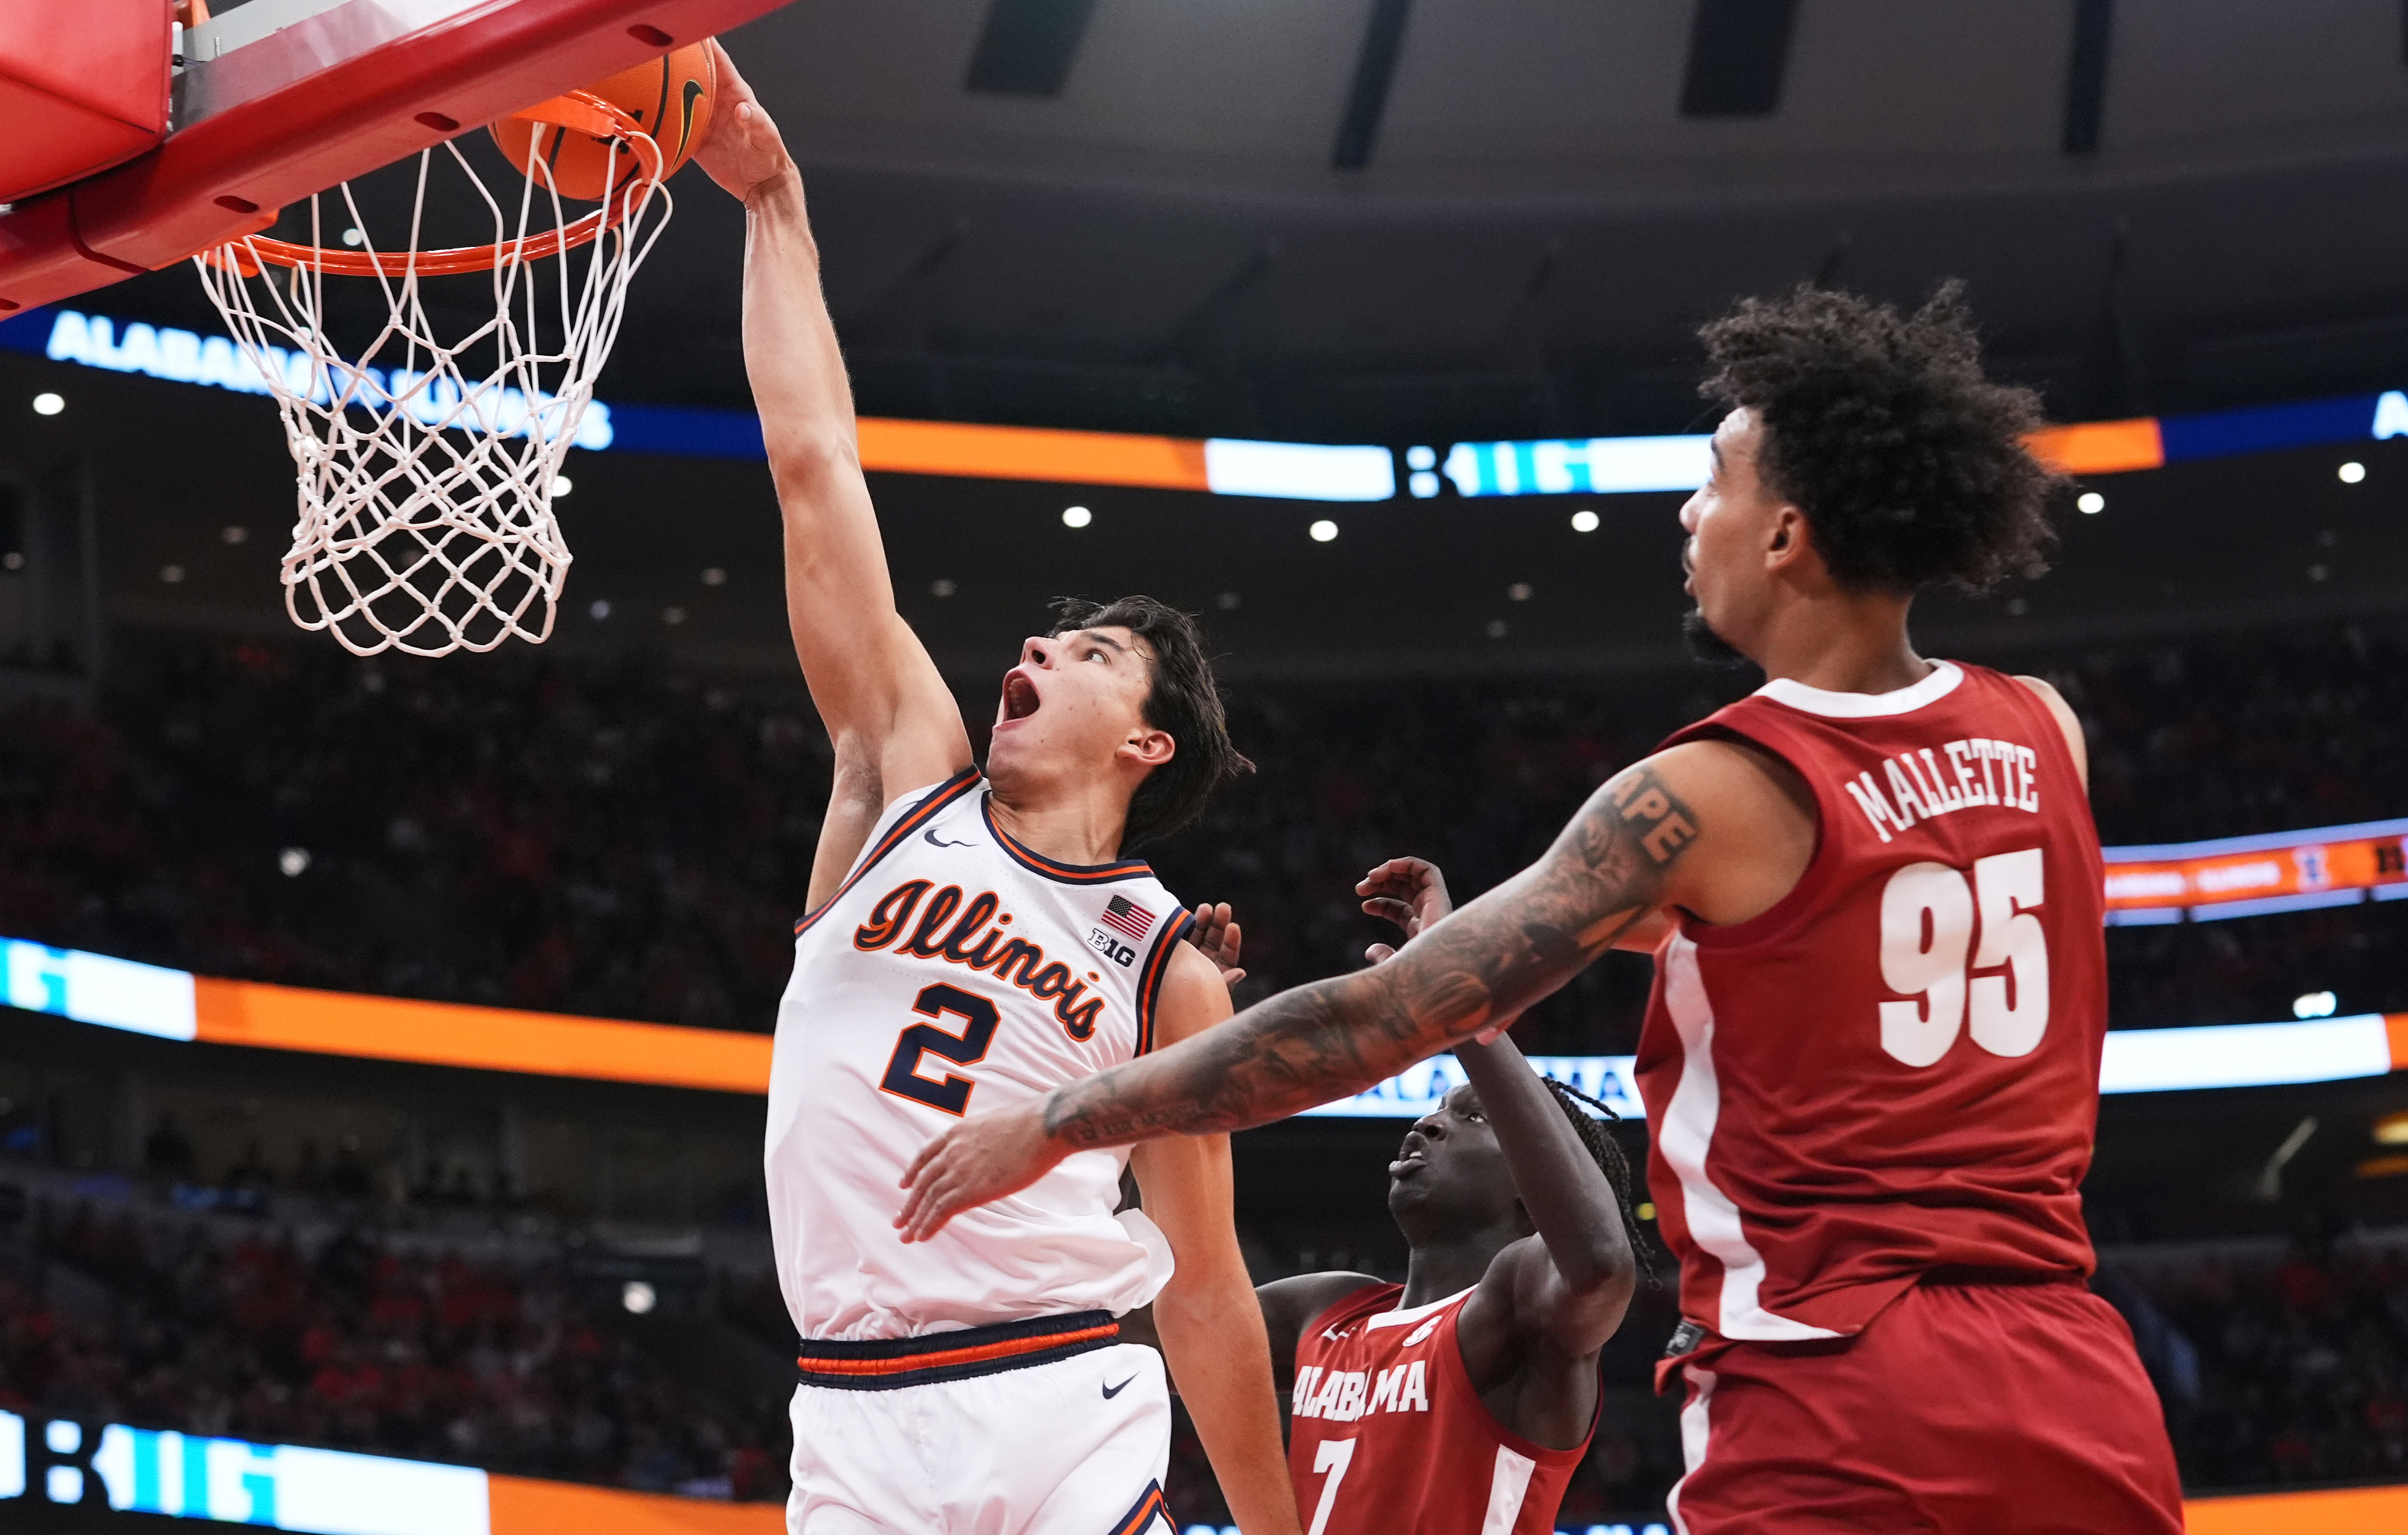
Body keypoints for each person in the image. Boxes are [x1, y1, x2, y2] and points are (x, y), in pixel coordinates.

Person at [898, 285, 2187, 1532]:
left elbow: (1377, 1019)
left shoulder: (1710, 792)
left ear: (1786, 536)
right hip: (2071, 1371)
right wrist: (1503, 929)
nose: (1689, 517)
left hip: (1837, 1381)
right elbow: (1830, 926)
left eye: (1713, 484)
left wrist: (1063, 1116)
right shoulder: (2043, 732)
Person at [691, 43, 1299, 1535]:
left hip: (1059, 1395)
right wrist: (778, 207)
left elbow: (1205, 1287)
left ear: (1145, 745)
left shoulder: (1166, 961)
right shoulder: (905, 772)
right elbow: (814, 470)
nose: (1035, 647)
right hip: (844, 1410)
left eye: (1090, 653)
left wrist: (1282, 1528)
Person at [1208, 859, 1642, 1535]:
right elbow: (1142, 1321)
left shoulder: (1520, 1306)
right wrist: (1156, 1047)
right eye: (1438, 1108)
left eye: (1473, 1117)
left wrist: (1462, 1006)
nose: (1428, 1121)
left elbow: (1599, 1263)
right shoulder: (1328, 1308)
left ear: (1537, 1183)